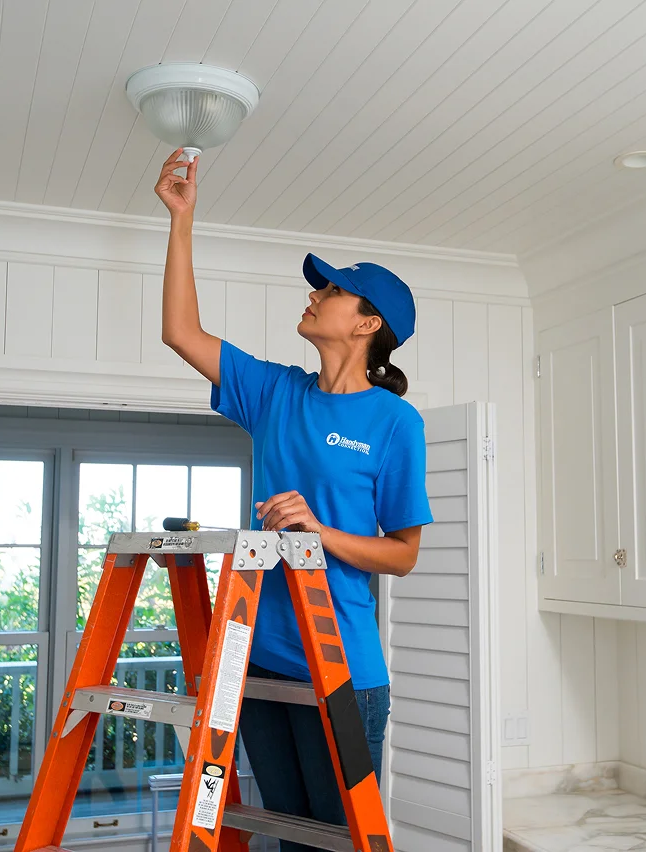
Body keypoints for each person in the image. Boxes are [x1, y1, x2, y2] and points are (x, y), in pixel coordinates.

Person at [154, 149, 433, 848]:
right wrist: (181, 220)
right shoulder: (277, 394)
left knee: (336, 840)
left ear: (367, 325)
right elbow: (181, 333)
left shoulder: (396, 424)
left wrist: (315, 531)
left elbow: (402, 556)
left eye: (331, 290)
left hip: (342, 670)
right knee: (287, 836)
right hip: (261, 658)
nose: (313, 295)